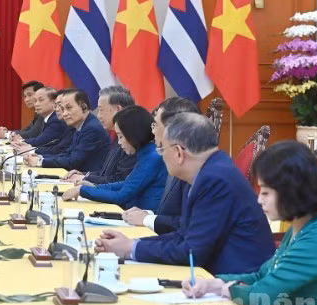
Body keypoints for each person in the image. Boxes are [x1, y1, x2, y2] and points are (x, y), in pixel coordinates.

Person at [94, 113, 275, 275]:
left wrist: (131, 248)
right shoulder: (206, 171)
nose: (161, 156)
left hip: (236, 283)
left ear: (179, 153)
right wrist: (131, 244)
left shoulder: (215, 180)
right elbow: (184, 234)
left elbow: (192, 252)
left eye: (162, 149)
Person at [181, 141, 317, 305]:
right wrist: (214, 284)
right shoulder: (300, 225)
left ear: (291, 190)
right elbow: (263, 275)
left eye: (265, 192)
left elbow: (262, 296)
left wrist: (228, 290)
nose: (259, 200)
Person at [62, 106, 166, 211]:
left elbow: (121, 196)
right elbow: (127, 184)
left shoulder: (152, 157)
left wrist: (82, 190)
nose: (119, 142)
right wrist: (95, 187)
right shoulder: (147, 153)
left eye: (120, 137)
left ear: (133, 134)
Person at [122, 97, 199, 233]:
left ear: (174, 128)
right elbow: (172, 214)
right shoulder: (175, 157)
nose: (152, 131)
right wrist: (147, 215)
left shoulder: (195, 167)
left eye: (155, 124)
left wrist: (147, 220)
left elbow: (189, 226)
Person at [64, 85, 136, 185]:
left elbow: (119, 181)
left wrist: (85, 178)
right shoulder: (118, 135)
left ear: (117, 109)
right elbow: (106, 173)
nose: (98, 116)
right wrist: (85, 175)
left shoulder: (131, 139)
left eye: (101, 110)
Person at [26, 89, 110, 172]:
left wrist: (40, 162)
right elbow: (67, 153)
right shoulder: (81, 125)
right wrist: (40, 157)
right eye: (63, 109)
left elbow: (73, 161)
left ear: (84, 107)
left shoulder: (91, 128)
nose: (64, 114)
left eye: (69, 108)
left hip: (89, 179)